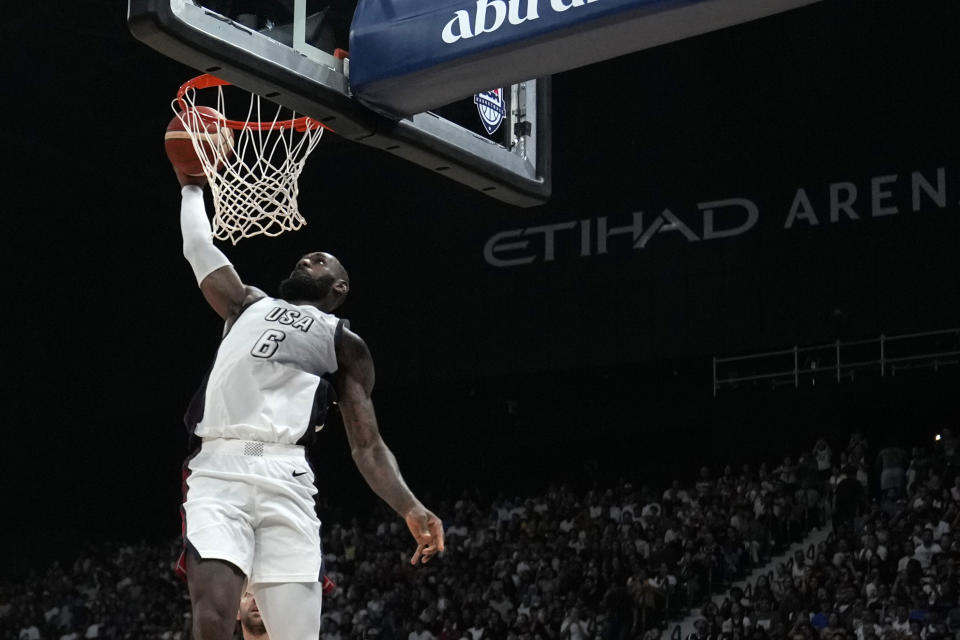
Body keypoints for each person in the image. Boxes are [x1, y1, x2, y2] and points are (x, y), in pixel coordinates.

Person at [172, 167, 445, 640]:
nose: (307, 260)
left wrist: (409, 506)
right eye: (305, 257)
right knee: (213, 620)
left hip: (287, 479)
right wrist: (191, 185)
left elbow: (368, 445)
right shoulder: (246, 303)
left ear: (339, 288)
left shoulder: (345, 345)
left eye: (320, 261)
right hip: (219, 470)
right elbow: (199, 249)